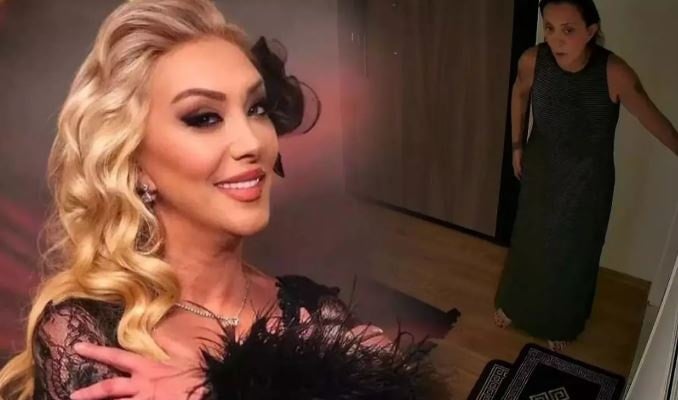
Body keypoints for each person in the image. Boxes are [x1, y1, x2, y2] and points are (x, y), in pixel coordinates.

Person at [0, 1, 442, 399]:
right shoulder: (85, 337)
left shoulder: (313, 310)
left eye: (256, 108)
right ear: (134, 162)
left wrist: (386, 378)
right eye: (204, 117)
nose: (251, 142)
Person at [494, 0, 678, 351]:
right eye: (549, 28)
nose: (556, 39)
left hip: (587, 179)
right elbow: (518, 93)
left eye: (568, 30)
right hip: (541, 166)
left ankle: (560, 321)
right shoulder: (533, 60)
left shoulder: (614, 73)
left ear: (591, 31)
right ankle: (516, 306)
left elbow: (652, 119)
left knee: (573, 249)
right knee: (530, 238)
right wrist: (517, 146)